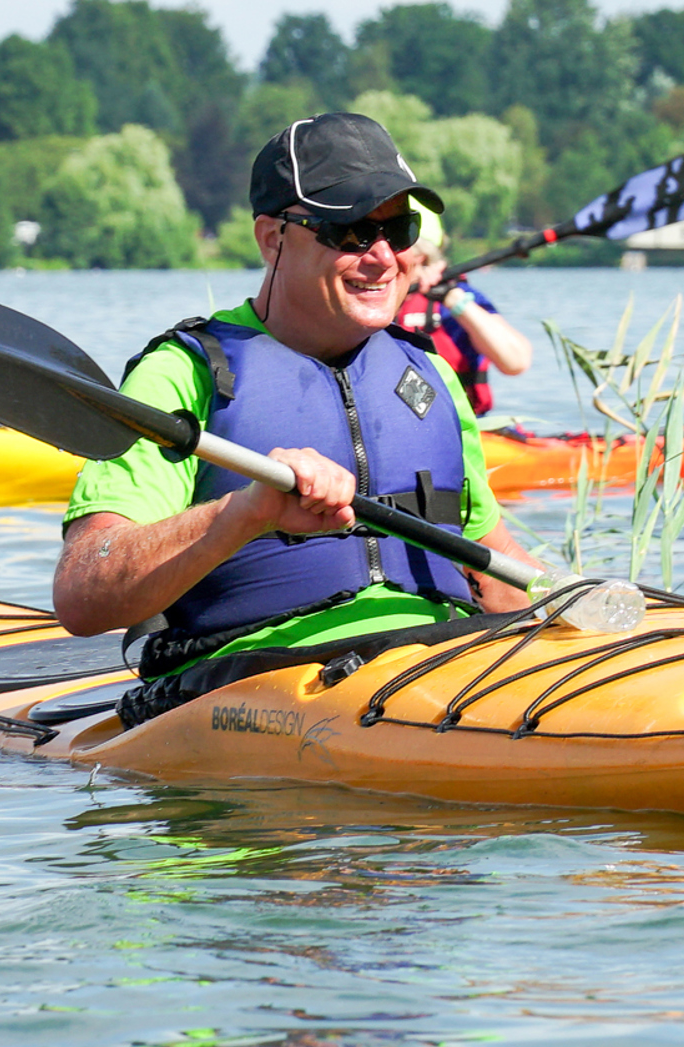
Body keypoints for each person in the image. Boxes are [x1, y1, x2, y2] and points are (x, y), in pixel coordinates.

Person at [52, 113, 540, 722]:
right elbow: (82, 597)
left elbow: (495, 572)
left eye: (399, 228)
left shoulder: (430, 375)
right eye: (352, 232)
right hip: (257, 688)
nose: (384, 258)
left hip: (445, 667)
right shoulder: (188, 374)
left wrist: (585, 614)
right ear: (271, 238)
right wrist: (245, 511)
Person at [395, 207, 533, 417]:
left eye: (393, 243)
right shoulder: (369, 301)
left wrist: (453, 299)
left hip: (461, 427)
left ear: (420, 257)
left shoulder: (459, 298)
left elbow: (516, 361)